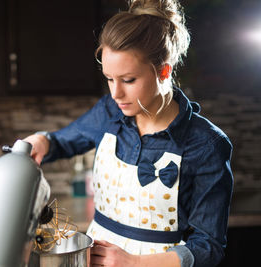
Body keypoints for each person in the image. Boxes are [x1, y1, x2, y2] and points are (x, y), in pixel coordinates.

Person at [24, 0, 234, 266]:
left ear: (163, 70)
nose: (115, 93)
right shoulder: (109, 112)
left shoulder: (207, 144)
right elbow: (61, 142)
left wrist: (132, 262)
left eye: (128, 80)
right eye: (109, 79)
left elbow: (208, 247)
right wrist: (41, 141)